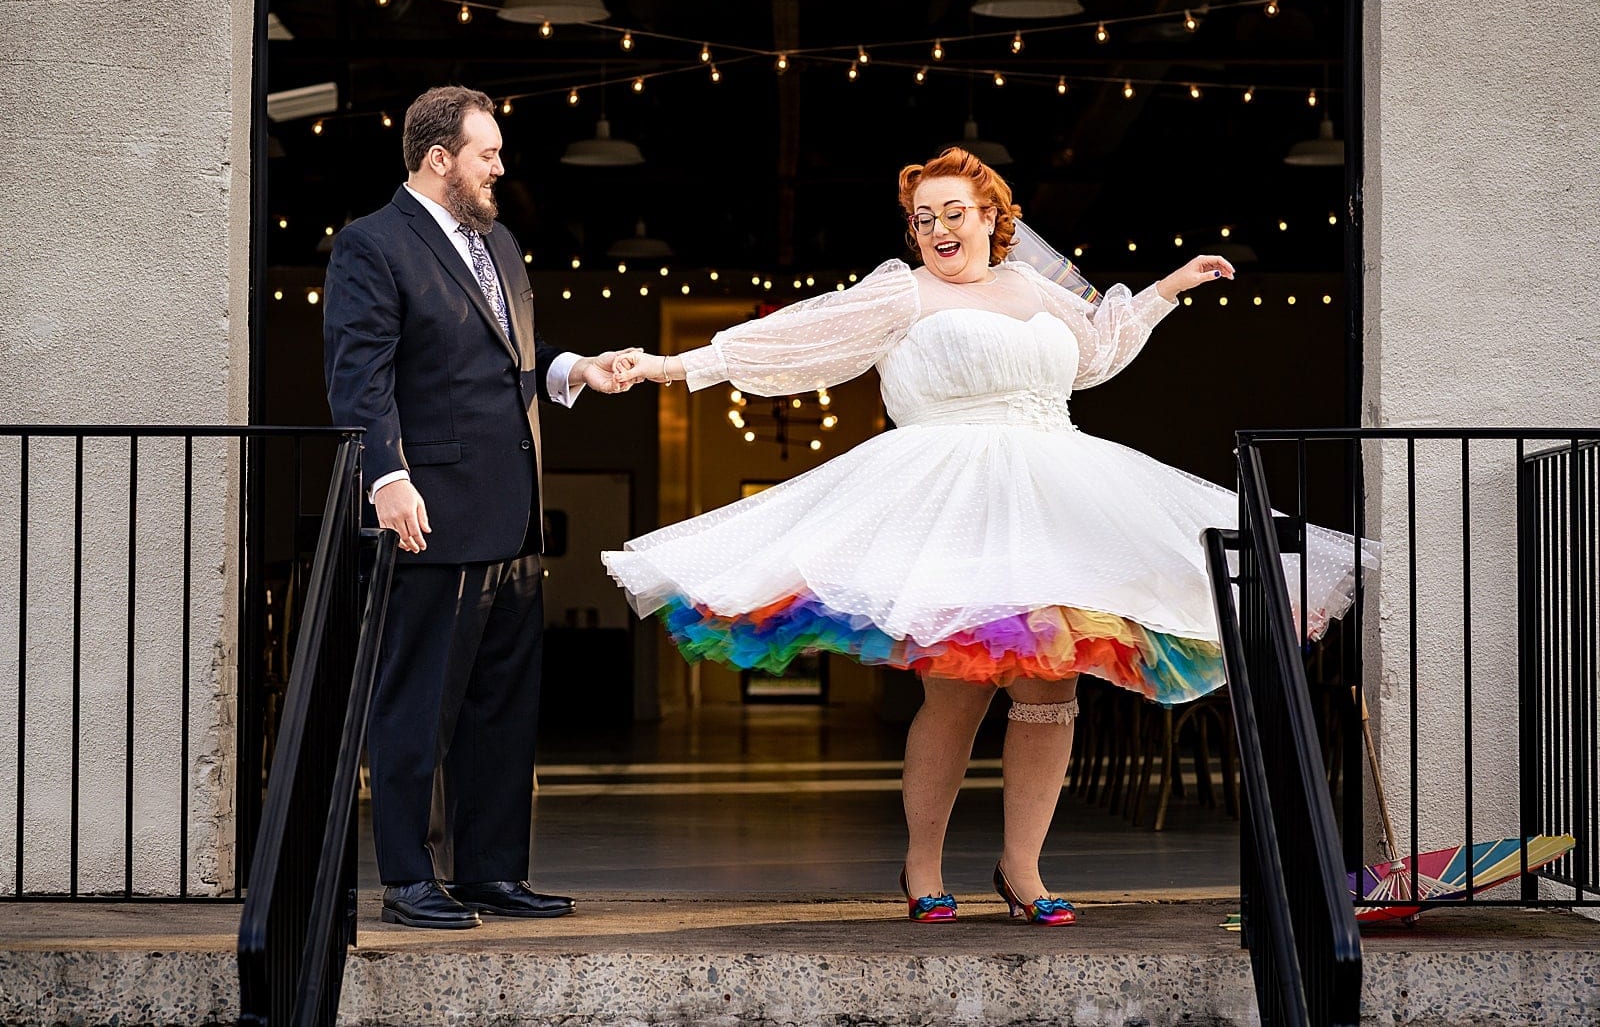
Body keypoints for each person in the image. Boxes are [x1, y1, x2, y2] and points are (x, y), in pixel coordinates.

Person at [604, 148, 1370, 926]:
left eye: (953, 214)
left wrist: (1167, 289)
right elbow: (792, 344)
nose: (938, 228)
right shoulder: (901, 294)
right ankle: (923, 864)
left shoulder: (1034, 288)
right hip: (951, 503)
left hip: (1053, 500)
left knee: (1051, 687)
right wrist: (666, 365)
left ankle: (1023, 867)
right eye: (923, 217)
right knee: (959, 685)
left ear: (993, 220)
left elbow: (1098, 352)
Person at [324, 85, 637, 929]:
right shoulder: (371, 245)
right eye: (486, 152)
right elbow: (361, 378)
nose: (500, 165)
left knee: (502, 706)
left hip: (510, 513)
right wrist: (386, 479)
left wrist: (574, 370)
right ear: (440, 159)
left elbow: (510, 362)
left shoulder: (497, 243)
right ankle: (407, 878)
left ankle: (493, 872)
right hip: (427, 513)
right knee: (416, 703)